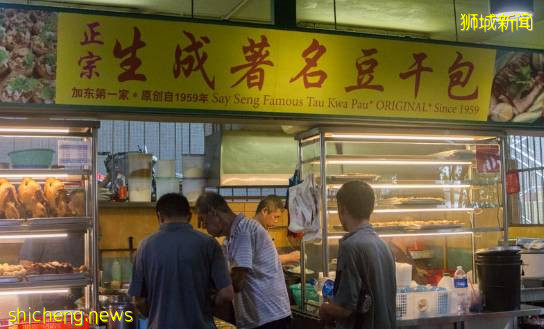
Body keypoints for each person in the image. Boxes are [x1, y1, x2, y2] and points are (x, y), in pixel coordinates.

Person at [129, 193, 234, 329]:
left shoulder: (144, 247)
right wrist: (209, 304)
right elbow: (227, 294)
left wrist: (157, 315)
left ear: (159, 217)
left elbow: (138, 301)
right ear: (189, 216)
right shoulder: (209, 244)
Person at [196, 192, 291, 329]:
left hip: (269, 319)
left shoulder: (243, 231)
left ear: (213, 213)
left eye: (203, 220)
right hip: (259, 319)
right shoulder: (232, 238)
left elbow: (238, 281)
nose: (203, 226)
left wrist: (210, 298)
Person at [319, 181, 396, 329]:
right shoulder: (384, 245)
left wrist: (325, 308)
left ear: (342, 208)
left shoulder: (350, 246)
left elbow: (345, 308)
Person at [254, 195, 300, 265]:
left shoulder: (262, 230)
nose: (276, 221)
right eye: (275, 217)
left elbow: (267, 256)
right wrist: (288, 257)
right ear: (265, 211)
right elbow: (258, 261)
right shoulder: (252, 231)